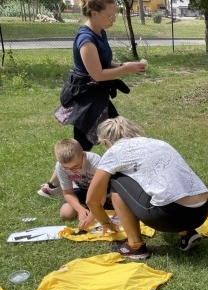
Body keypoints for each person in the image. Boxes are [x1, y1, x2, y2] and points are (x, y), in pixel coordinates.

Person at [40, 0, 147, 199]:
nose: (113, 20)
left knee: (117, 134)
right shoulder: (86, 39)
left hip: (98, 95)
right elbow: (97, 74)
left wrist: (125, 64)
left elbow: (105, 63)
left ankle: (52, 186)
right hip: (87, 99)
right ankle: (54, 185)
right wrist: (126, 69)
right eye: (110, 16)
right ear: (94, 13)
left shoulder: (100, 32)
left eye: (116, 15)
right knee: (84, 145)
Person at [86, 117, 208, 259]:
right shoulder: (160, 143)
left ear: (106, 142)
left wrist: (106, 223)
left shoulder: (114, 152)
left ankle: (135, 245)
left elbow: (92, 200)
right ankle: (187, 233)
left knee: (116, 179)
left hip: (171, 215)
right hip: (201, 211)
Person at [52, 139, 111, 231]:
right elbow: (68, 193)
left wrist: (90, 218)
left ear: (84, 155)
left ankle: (93, 209)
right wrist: (79, 209)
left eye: (76, 166)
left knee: (118, 208)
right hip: (81, 189)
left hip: (101, 191)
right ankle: (85, 207)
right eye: (67, 168)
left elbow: (101, 194)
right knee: (66, 214)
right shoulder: (60, 166)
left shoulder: (95, 162)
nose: (72, 171)